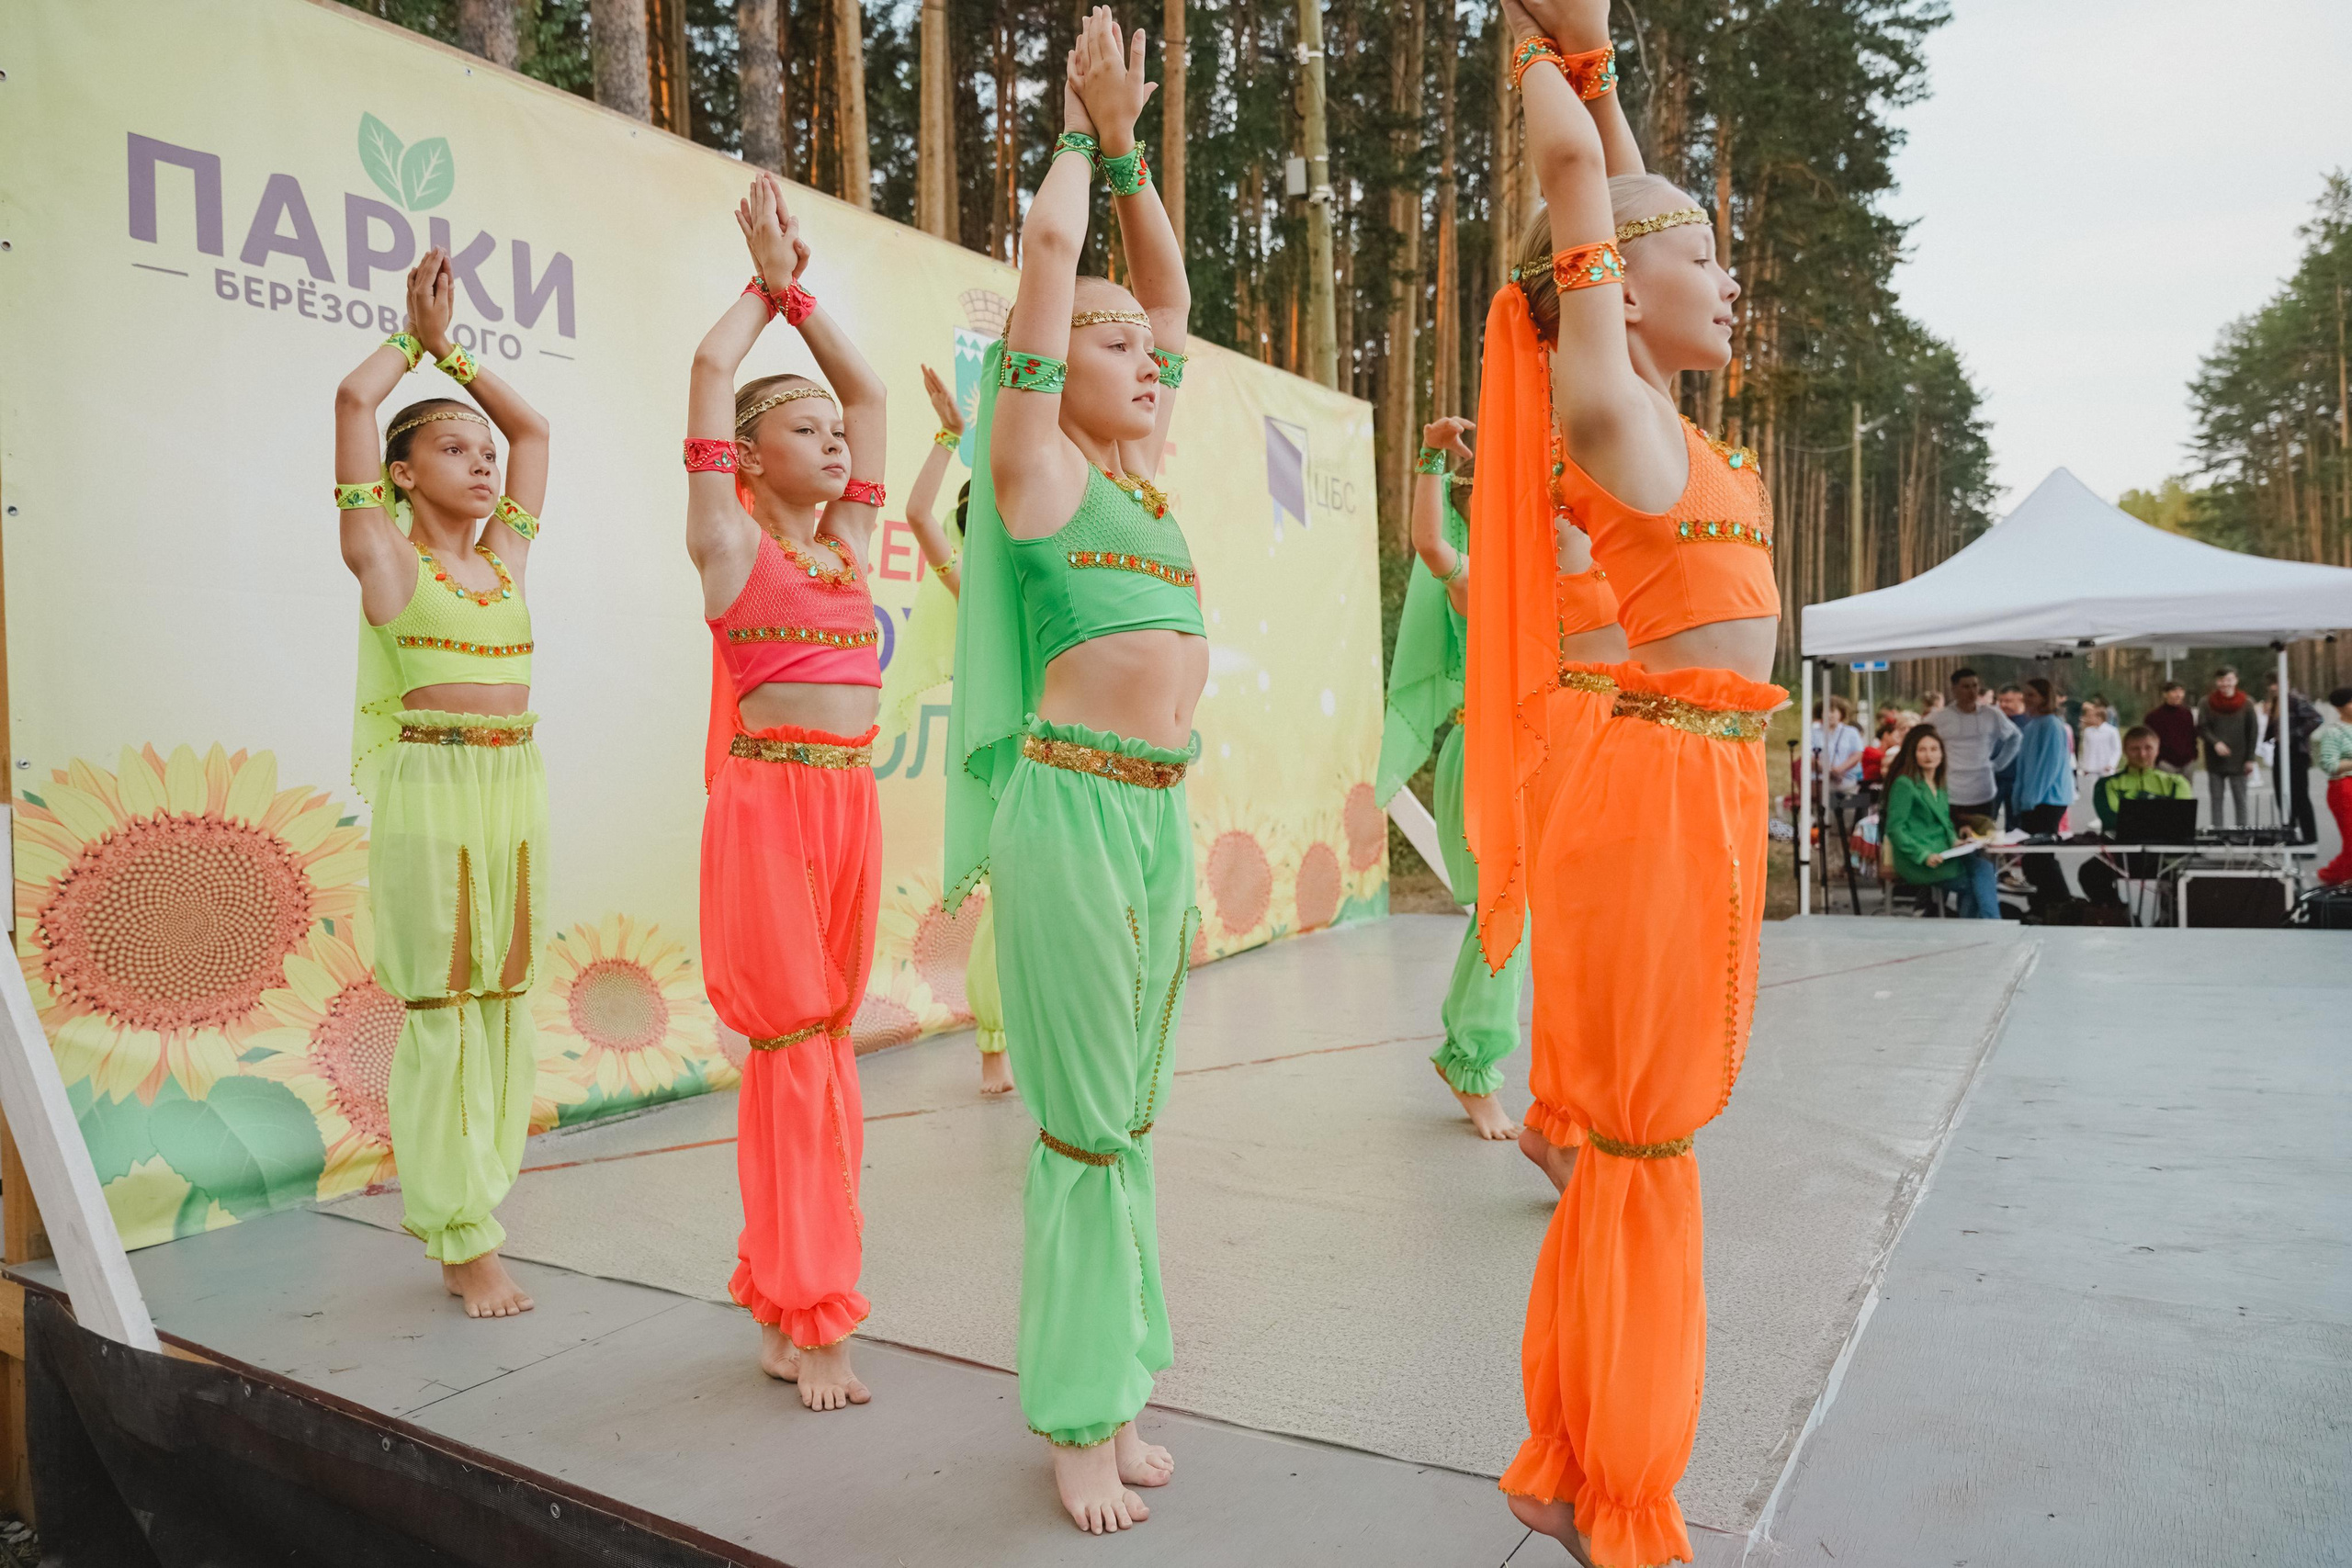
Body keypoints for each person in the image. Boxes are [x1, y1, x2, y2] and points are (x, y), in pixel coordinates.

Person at [1467, 3, 1783, 1558]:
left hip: (1698, 788)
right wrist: (1544, 38)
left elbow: (1625, 184)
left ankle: (1580, 1451)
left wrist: (1599, 68)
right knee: (1645, 1150)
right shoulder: (1608, 406)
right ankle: (1618, 1484)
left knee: (1642, 1153)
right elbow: (1586, 178)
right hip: (1655, 793)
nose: (1730, 281)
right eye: (1702, 259)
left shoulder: (1665, 414)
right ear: (1619, 286)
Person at [944, 9, 1193, 1531]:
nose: (1142, 348)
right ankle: (1078, 1419)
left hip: (1162, 814)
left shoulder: (1146, 476)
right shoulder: (1030, 465)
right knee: (1087, 1121)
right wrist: (1073, 141)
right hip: (1071, 811)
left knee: (1136, 1113)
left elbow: (1158, 292)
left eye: (1143, 345)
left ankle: (1120, 1371)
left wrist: (1133, 154)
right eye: (1107, 343)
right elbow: (1059, 264)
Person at [685, 175, 888, 1410]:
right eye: (801, 429)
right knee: (798, 1049)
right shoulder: (731, 542)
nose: (835, 436)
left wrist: (805, 297)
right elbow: (713, 372)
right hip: (769, 812)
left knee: (821, 1054)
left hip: (849, 801)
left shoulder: (851, 546)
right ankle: (816, 1314)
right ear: (749, 459)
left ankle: (777, 1285)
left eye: (831, 432)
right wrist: (759, 289)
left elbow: (867, 393)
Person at [334, 249, 549, 1319]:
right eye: (450, 450)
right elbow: (353, 397)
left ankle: (483, 1198)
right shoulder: (386, 559)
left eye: (481, 450)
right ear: (400, 477)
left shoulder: (506, 560)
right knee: (443, 1002)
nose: (483, 462)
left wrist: (460, 357)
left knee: (504, 994)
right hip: (433, 791)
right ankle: (460, 1237)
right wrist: (414, 344)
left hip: (516, 787)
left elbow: (536, 434)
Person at [881, 364, 1016, 1097]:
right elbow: (919, 516)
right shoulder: (973, 588)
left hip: (1066, 749)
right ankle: (996, 1045)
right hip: (1007, 756)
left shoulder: (1042, 577)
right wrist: (949, 437)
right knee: (1011, 901)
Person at [1883, 726, 2000, 919]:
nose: (1929, 755)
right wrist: (1922, 854)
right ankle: (1990, 928)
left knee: (1984, 868)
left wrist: (1955, 840)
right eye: (1922, 750)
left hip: (1945, 851)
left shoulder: (1939, 782)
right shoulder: (1904, 784)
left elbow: (1945, 821)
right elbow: (1895, 829)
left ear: (1942, 753)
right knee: (1976, 884)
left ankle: (1983, 929)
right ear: (1913, 754)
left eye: (1934, 749)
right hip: (1919, 858)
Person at [2079, 725, 2195, 911]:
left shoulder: (2177, 782)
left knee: (2189, 877)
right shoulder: (2106, 784)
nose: (2142, 754)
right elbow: (2112, 820)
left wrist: (2135, 816)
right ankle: (2118, 916)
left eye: (2148, 748)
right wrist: (2158, 817)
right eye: (2135, 749)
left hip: (2164, 856)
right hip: (2122, 854)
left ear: (2157, 750)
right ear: (2125, 751)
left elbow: (2179, 820)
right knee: (2090, 872)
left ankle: (2170, 921)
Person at [2009, 677, 2076, 913]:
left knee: (2040, 856)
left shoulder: (2051, 725)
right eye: (2025, 694)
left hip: (2046, 801)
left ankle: (2060, 902)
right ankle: (2042, 904)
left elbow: (2047, 767)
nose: (2027, 700)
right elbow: (2024, 768)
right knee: (2031, 857)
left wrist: (2030, 800)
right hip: (2034, 800)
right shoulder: (2032, 725)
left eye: (2032, 695)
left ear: (2044, 698)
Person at [1932, 668, 2018, 828]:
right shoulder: (1940, 718)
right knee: (1953, 840)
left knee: (1984, 840)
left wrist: (1999, 764)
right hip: (1952, 793)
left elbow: (2015, 737)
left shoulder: (1992, 714)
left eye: (1975, 686)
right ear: (1954, 689)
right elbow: (1917, 739)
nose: (1971, 691)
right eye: (1966, 687)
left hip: (1984, 791)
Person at [2261, 678, 2323, 845]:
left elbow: (2317, 719)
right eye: (2271, 684)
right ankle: (2290, 835)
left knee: (2300, 795)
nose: (2273, 687)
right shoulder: (2275, 702)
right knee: (2282, 795)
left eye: (2277, 683)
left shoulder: (2296, 701)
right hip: (2279, 750)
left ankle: (2310, 838)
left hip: (2296, 752)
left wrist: (2294, 735)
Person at [2198, 666, 2258, 829]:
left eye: (2229, 680)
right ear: (2217, 682)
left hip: (2239, 760)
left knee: (2241, 800)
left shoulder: (2246, 704)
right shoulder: (2206, 703)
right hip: (2214, 760)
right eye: (2222, 680)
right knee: (2216, 800)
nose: (2225, 684)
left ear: (2236, 680)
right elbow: (2202, 728)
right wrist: (2215, 742)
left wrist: (2250, 759)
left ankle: (2242, 833)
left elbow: (2253, 732)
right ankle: (2218, 834)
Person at [2314, 687, 2352, 886]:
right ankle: (2340, 880)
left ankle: (2331, 876)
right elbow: (2330, 764)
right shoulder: (2334, 733)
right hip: (2344, 789)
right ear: (2340, 707)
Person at [1809, 695, 1864, 802]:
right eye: (1825, 712)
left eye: (1832, 711)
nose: (1829, 715)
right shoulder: (1813, 733)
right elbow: (1809, 755)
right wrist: (1828, 770)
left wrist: (1840, 769)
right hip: (1821, 782)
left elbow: (1857, 754)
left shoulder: (1851, 732)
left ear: (1840, 713)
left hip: (1846, 782)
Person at [2143, 680, 2198, 775]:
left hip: (2187, 762)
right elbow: (2148, 740)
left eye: (2181, 691)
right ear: (2165, 694)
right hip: (2165, 763)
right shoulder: (2154, 717)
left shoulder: (2187, 714)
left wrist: (2194, 755)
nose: (2178, 695)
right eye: (2174, 691)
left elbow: (2192, 736)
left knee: (2185, 789)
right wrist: (2157, 760)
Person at [2076, 697, 2121, 795]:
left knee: (2107, 792)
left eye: (2091, 716)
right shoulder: (2088, 732)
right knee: (2095, 793)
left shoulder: (2112, 731)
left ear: (2099, 717)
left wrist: (2112, 764)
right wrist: (2084, 766)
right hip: (2092, 768)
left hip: (2106, 768)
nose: (2088, 718)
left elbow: (2117, 749)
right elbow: (2086, 750)